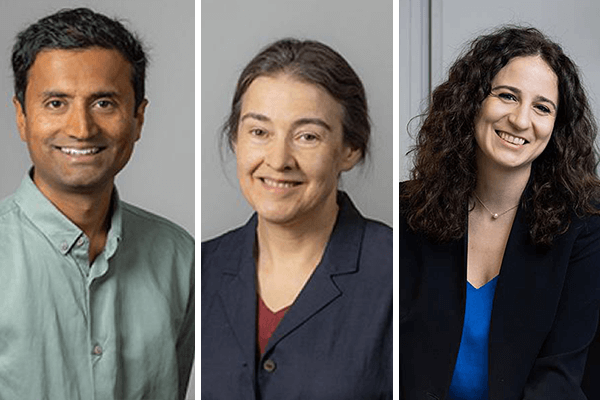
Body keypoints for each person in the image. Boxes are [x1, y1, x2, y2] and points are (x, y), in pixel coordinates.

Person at [0, 8, 194, 399]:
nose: (81, 128)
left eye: (104, 103)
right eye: (56, 103)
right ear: (21, 117)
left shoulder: (180, 257)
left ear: (138, 119)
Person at [399, 26, 600, 399]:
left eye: (542, 107)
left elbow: (561, 376)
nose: (521, 121)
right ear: (472, 101)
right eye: (507, 96)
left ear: (557, 127)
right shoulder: (407, 211)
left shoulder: (586, 225)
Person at [201, 38, 392, 399]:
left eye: (307, 136)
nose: (278, 159)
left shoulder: (400, 271)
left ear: (350, 150)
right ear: (235, 141)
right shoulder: (199, 270)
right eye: (259, 132)